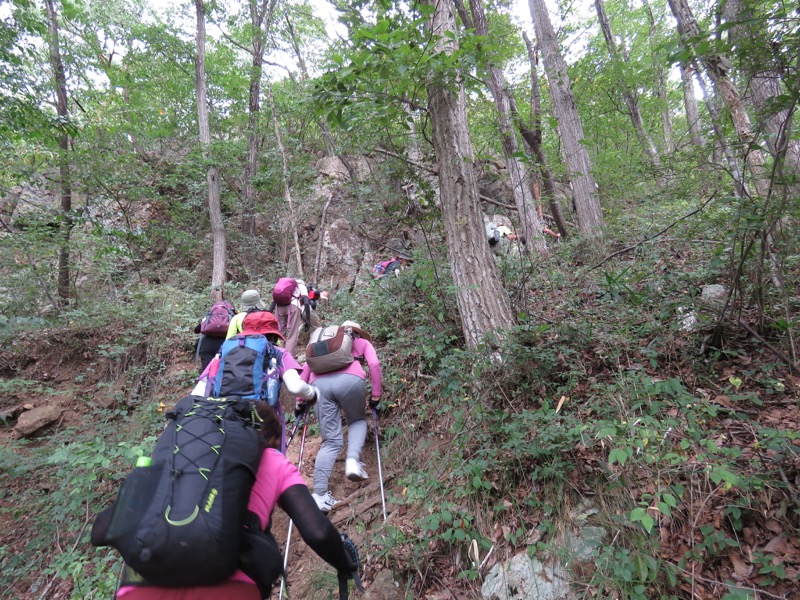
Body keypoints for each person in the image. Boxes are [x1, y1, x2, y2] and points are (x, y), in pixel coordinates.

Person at [113, 402, 360, 600]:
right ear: (273, 438)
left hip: (140, 584)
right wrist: (345, 564)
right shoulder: (273, 459)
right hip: (229, 587)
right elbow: (317, 531)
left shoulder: (182, 458)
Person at [195, 311, 318, 451]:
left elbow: (200, 390)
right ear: (272, 334)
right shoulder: (277, 352)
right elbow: (296, 387)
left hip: (226, 421)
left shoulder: (225, 351)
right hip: (263, 423)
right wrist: (312, 394)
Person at [295, 320, 383, 513]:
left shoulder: (322, 347)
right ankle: (352, 461)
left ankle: (319, 496)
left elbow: (304, 373)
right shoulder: (361, 342)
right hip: (351, 382)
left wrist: (300, 402)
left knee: (331, 442)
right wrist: (376, 396)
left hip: (319, 388)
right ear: (356, 332)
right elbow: (374, 365)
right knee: (357, 420)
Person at [270, 278, 309, 355]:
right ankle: (289, 357)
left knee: (281, 332)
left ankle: (279, 355)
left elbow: (274, 301)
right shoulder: (301, 286)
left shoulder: (283, 286)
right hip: (293, 307)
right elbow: (306, 302)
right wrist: (308, 320)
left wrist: (269, 312)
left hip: (279, 307)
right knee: (292, 334)